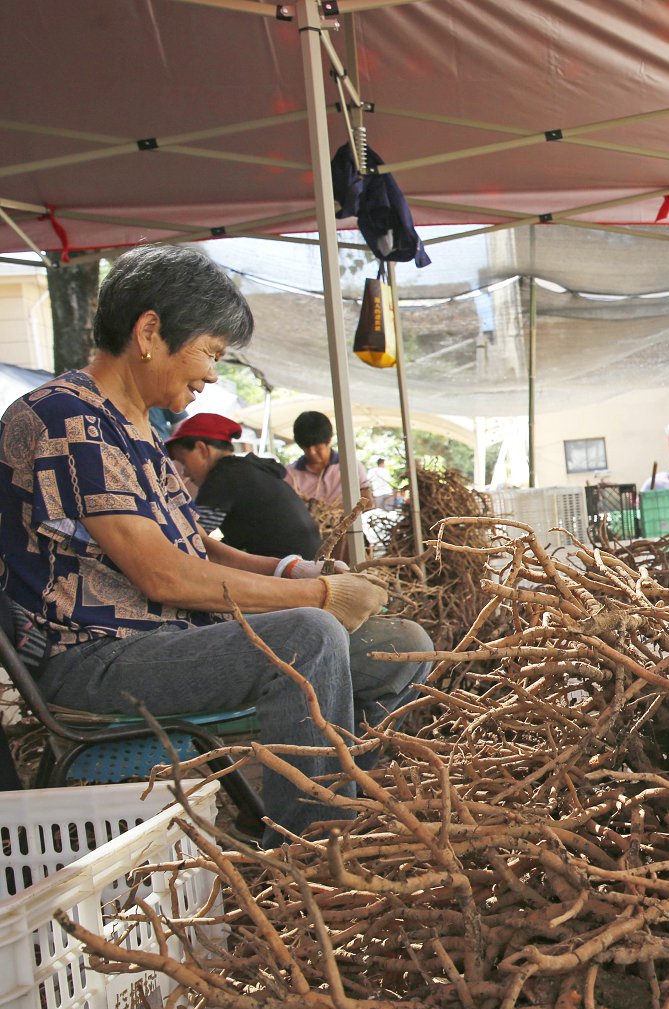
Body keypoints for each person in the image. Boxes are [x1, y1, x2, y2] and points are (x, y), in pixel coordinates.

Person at [0, 245, 433, 847]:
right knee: (309, 636)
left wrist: (290, 568)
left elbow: (192, 545)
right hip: (94, 659)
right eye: (210, 352)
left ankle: (359, 803)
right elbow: (162, 574)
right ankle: (315, 850)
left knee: (401, 647)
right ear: (149, 333)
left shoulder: (135, 427)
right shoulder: (66, 419)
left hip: (169, 640)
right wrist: (319, 596)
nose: (211, 375)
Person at [166, 412, 325, 562]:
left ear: (202, 450)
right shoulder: (248, 471)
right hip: (310, 561)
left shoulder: (223, 476)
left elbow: (190, 537)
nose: (185, 473)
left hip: (290, 569)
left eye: (183, 462)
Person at [286, 410, 344, 506]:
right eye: (306, 447)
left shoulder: (351, 468)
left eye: (317, 447)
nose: (312, 452)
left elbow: (367, 502)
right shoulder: (290, 474)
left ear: (329, 440)